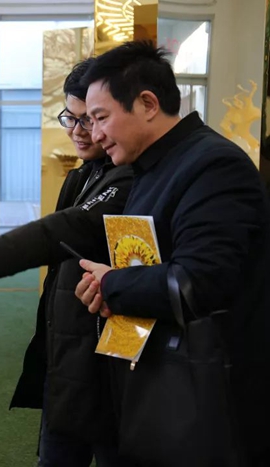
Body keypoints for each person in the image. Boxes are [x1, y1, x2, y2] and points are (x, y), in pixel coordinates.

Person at [0, 59, 132, 466]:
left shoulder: (128, 176)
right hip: (66, 353)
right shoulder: (81, 175)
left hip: (106, 359)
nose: (79, 131)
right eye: (71, 118)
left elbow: (66, 229)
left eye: (92, 120)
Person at [74, 41, 270, 465]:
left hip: (205, 400)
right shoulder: (152, 166)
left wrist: (114, 283)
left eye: (101, 118)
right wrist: (109, 289)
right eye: (89, 121)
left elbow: (198, 282)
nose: (95, 134)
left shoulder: (213, 165)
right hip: (157, 386)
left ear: (147, 103)